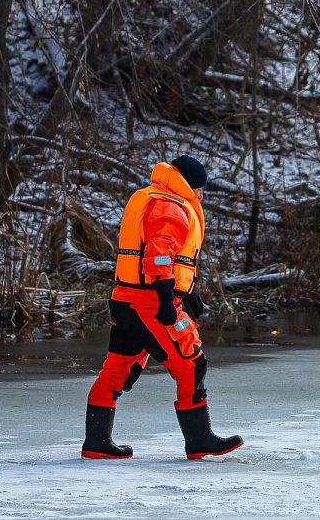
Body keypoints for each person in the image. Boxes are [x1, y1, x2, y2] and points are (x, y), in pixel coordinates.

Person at [82, 155, 243, 460]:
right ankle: (199, 440)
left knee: (116, 370)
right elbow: (158, 255)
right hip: (149, 303)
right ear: (191, 186)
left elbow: (165, 255)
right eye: (201, 190)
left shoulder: (155, 198)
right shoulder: (171, 206)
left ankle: (97, 442)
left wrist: (188, 291)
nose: (202, 196)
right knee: (191, 364)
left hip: (127, 299)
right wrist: (167, 297)